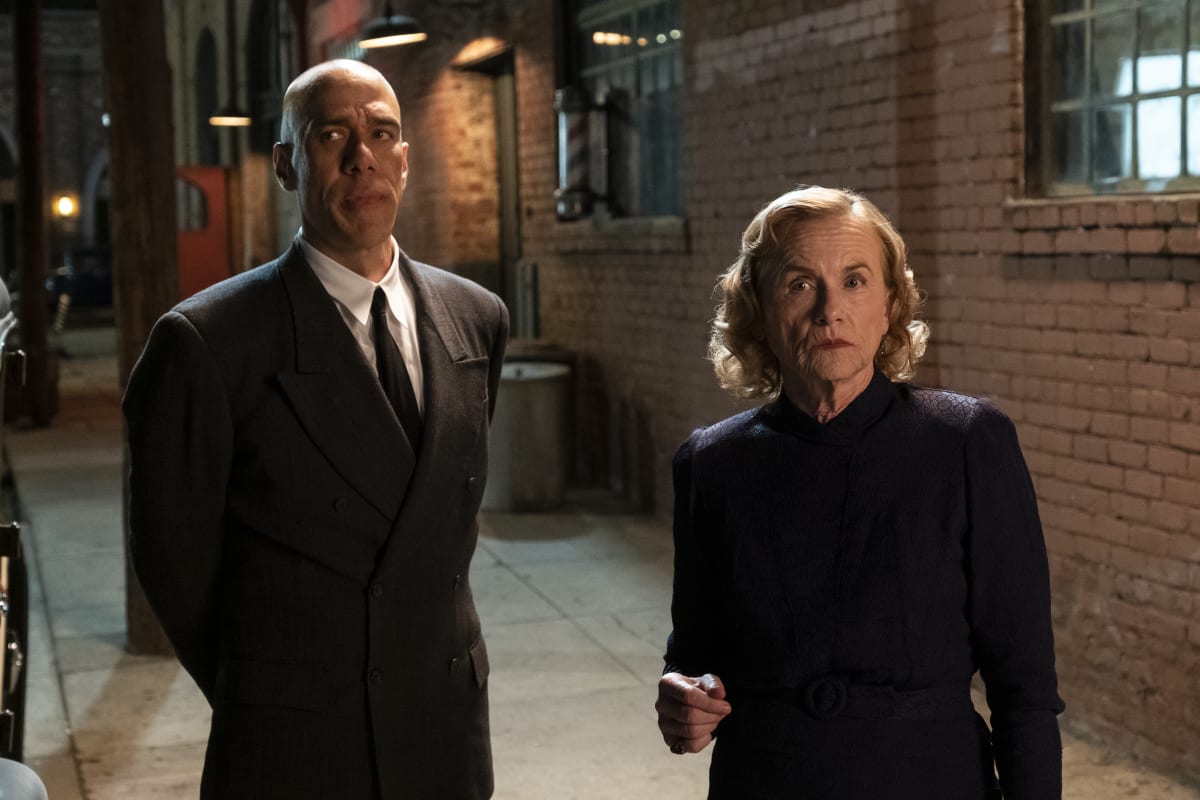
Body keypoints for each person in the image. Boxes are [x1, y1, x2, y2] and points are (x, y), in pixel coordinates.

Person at [124, 60, 507, 799]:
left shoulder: (477, 317)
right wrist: (268, 688)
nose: (362, 156)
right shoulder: (207, 342)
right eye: (331, 135)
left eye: (381, 133)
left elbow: (436, 514)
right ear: (286, 165)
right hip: (297, 744)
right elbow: (173, 563)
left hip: (444, 729)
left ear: (405, 159)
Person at [655, 186, 1064, 799]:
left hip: (929, 779)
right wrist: (684, 698)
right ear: (758, 308)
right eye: (799, 284)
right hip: (766, 781)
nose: (830, 311)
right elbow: (694, 651)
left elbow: (1024, 685)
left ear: (890, 303)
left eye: (854, 281)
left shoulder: (965, 442)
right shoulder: (711, 463)